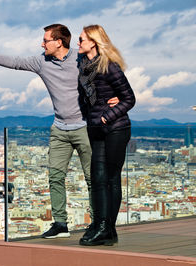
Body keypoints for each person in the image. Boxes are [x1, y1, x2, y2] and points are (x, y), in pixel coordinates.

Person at [0, 24, 117, 239]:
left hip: (84, 127)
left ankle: (97, 223)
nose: (42, 44)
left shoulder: (80, 58)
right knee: (55, 176)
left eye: (45, 40)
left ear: (58, 42)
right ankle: (60, 224)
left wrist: (115, 97)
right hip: (59, 128)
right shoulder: (41, 62)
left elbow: (108, 69)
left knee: (92, 179)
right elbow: (15, 62)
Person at [76, 25, 136, 246]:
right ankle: (103, 227)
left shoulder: (109, 66)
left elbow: (129, 98)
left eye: (82, 39)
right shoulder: (85, 67)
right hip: (96, 129)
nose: (78, 43)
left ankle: (108, 228)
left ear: (93, 41)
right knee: (99, 179)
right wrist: (91, 118)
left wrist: (106, 117)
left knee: (111, 178)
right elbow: (87, 99)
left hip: (116, 129)